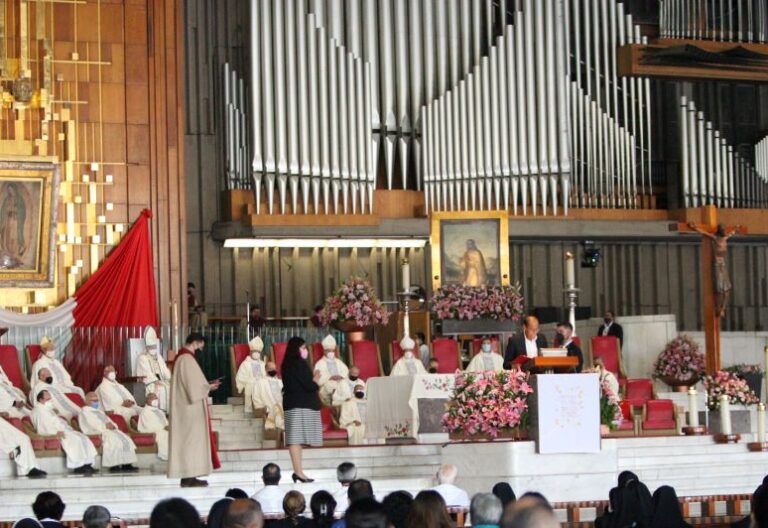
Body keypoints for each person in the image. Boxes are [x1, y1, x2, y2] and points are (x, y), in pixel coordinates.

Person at [168, 332, 221, 487]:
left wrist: (206, 386)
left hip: (187, 407)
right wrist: (208, 387)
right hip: (190, 409)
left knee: (190, 442)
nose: (200, 350)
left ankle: (190, 476)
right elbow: (193, 387)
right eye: (200, 346)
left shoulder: (182, 358)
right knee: (191, 441)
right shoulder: (186, 359)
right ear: (196, 342)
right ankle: (189, 476)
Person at [281, 336, 322, 482]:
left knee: (295, 440)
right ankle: (298, 472)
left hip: (293, 403)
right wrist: (316, 378)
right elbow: (309, 386)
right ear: (296, 349)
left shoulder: (287, 363)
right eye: (303, 348)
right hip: (299, 404)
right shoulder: (299, 364)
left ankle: (298, 471)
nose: (305, 351)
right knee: (295, 439)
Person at [31, 390, 97, 475]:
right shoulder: (38, 410)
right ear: (40, 400)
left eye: (50, 399)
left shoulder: (47, 409)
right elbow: (42, 426)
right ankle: (78, 466)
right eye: (48, 399)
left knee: (83, 437)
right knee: (75, 439)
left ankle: (87, 464)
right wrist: (55, 433)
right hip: (55, 432)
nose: (50, 401)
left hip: (63, 430)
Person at [688, 222, 739, 318]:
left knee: (727, 289)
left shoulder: (725, 238)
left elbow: (731, 233)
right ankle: (717, 307)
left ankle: (723, 308)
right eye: (723, 230)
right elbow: (704, 232)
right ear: (719, 231)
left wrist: (735, 229)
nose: (724, 231)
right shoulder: (715, 238)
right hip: (717, 264)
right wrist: (695, 227)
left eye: (724, 230)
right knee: (720, 289)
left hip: (723, 264)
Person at [79, 392, 139, 473]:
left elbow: (109, 421)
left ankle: (127, 464)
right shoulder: (84, 411)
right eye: (93, 401)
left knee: (125, 438)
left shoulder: (99, 411)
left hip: (109, 430)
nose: (96, 402)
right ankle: (114, 465)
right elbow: (90, 424)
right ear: (86, 401)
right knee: (112, 440)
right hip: (99, 431)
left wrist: (113, 425)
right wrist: (104, 427)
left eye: (97, 400)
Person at [136, 327, 172, 412]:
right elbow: (146, 373)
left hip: (162, 381)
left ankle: (170, 412)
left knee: (171, 387)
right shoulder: (142, 358)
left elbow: (164, 369)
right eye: (151, 347)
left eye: (154, 346)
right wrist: (155, 380)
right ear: (147, 347)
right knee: (162, 390)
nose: (153, 348)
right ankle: (161, 412)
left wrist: (169, 377)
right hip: (150, 384)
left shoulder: (158, 356)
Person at [235, 336, 270, 414]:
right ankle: (249, 410)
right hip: (250, 383)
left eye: (258, 352)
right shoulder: (245, 364)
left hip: (261, 383)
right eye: (255, 351)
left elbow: (266, 375)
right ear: (250, 352)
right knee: (250, 386)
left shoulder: (262, 364)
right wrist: (241, 386)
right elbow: (241, 376)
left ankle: (265, 408)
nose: (256, 353)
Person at [137, 392, 168, 460]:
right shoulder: (145, 411)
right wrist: (163, 428)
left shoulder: (159, 411)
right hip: (154, 431)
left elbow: (165, 422)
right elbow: (147, 426)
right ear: (147, 400)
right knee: (165, 435)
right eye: (152, 398)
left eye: (156, 398)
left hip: (163, 429)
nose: (155, 400)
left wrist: (167, 427)